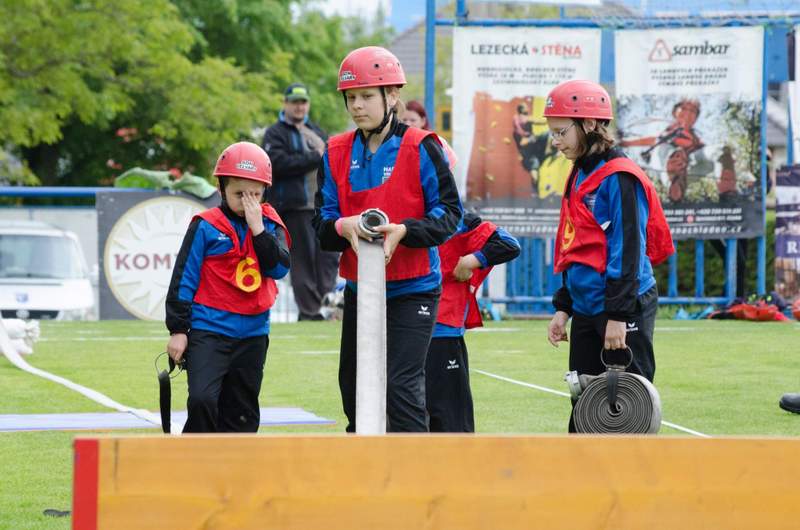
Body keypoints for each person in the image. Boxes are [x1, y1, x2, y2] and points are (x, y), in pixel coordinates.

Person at [312, 46, 463, 432]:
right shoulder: (334, 151)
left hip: (414, 289)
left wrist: (405, 231)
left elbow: (450, 214)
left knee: (401, 388)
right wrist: (343, 227)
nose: (357, 106)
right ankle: (364, 464)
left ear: (392, 95)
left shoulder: (422, 146)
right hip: (360, 289)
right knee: (354, 389)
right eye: (351, 98)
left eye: (366, 96)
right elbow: (321, 225)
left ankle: (411, 467)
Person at [543, 80, 675, 433]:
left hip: (621, 307)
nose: (555, 141)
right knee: (584, 405)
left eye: (561, 132)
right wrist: (564, 306)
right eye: (552, 133)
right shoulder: (580, 170)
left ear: (589, 124)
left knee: (628, 406)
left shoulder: (620, 177)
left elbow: (628, 248)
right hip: (587, 306)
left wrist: (618, 315)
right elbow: (576, 243)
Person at [165, 142, 291, 433]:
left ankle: (236, 462)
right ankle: (197, 457)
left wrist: (258, 230)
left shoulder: (271, 225)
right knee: (202, 399)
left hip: (253, 334)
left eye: (255, 194)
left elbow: (279, 268)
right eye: (239, 194)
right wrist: (178, 330)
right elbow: (183, 278)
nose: (247, 202)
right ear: (221, 189)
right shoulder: (205, 225)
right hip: (209, 330)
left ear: (265, 192)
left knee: (242, 411)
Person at [426, 212, 520, 432]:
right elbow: (509, 244)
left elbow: (508, 245)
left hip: (418, 327)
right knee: (450, 420)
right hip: (438, 327)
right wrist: (470, 261)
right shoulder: (452, 218)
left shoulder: (453, 219)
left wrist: (470, 260)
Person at [262, 83, 338, 321]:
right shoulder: (275, 133)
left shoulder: (316, 130)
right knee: (302, 260)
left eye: (303, 102)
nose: (299, 107)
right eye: (294, 102)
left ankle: (327, 305)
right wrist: (314, 156)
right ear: (285, 104)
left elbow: (330, 160)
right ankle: (310, 311)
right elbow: (276, 163)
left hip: (321, 206)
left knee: (328, 257)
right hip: (293, 208)